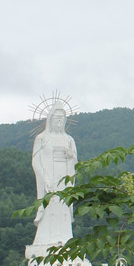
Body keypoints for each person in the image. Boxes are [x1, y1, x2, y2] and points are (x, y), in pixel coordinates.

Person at [29, 105, 77, 253]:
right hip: (49, 176)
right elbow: (36, 161)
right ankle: (46, 239)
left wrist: (70, 156)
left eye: (62, 119)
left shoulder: (68, 139)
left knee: (63, 205)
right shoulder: (42, 138)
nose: (59, 122)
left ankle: (65, 239)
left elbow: (75, 161)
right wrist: (45, 179)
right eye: (56, 118)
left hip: (64, 176)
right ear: (50, 120)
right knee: (50, 204)